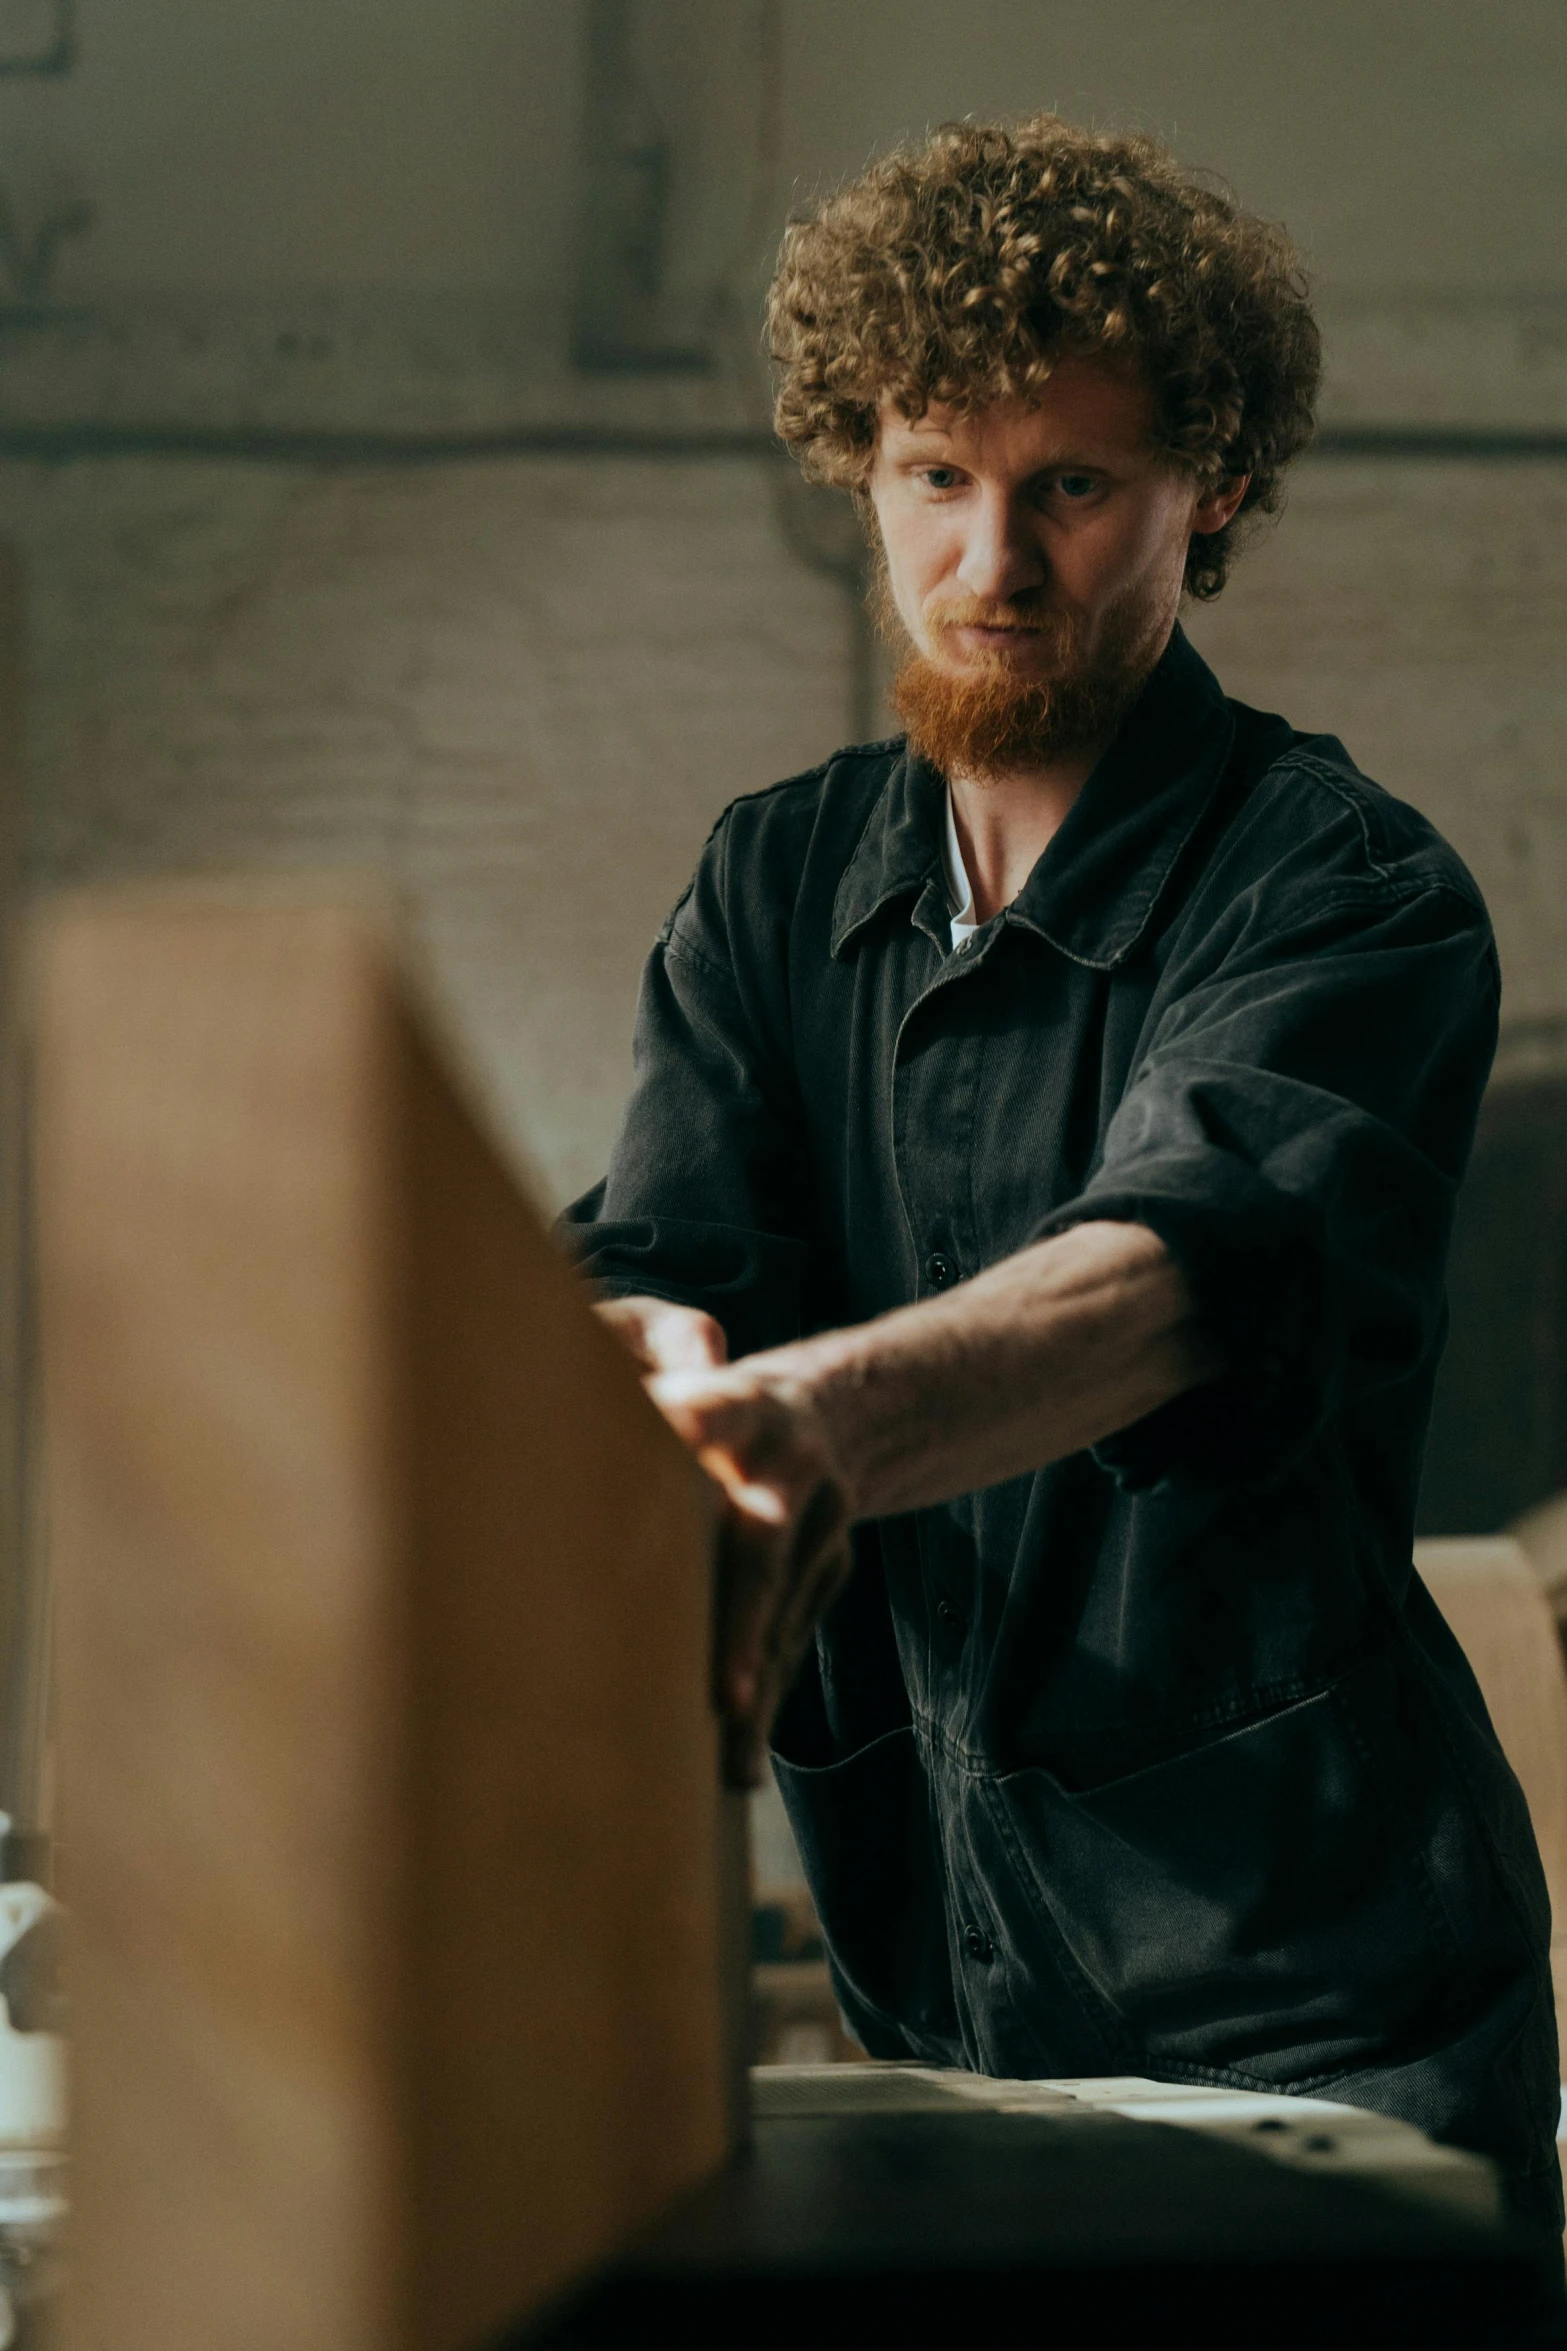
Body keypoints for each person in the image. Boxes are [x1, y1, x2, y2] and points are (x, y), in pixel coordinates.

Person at [566, 115, 1562, 2230]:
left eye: (1074, 486)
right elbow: (665, 1254)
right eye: (940, 476)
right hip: (943, 1994)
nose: (994, 560)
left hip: (1322, 2008)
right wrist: (630, 1370)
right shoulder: (772, 878)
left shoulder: (1349, 886)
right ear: (867, 476)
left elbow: (1180, 1266)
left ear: (1208, 500)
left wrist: (814, 1421)